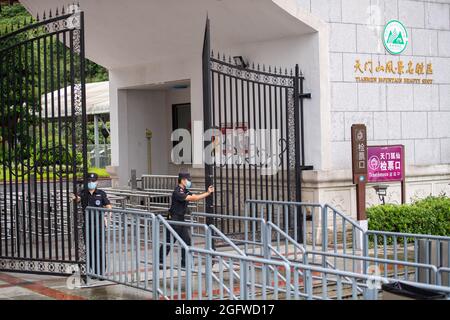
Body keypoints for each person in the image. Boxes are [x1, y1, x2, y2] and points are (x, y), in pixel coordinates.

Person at [159, 172, 214, 268]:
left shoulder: (185, 190)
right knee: (169, 242)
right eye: (187, 180)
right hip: (174, 219)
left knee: (186, 241)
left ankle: (185, 263)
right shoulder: (178, 191)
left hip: (180, 219)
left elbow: (194, 195)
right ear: (183, 180)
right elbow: (194, 198)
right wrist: (207, 193)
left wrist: (207, 191)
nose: (189, 181)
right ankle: (159, 262)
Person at [74, 172, 112, 278]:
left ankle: (101, 272)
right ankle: (92, 271)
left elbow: (109, 206)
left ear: (97, 182)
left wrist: (106, 217)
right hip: (88, 225)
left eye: (93, 181)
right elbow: (76, 199)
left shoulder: (101, 193)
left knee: (99, 248)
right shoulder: (82, 193)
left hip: (99, 226)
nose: (91, 183)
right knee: (90, 248)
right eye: (89, 181)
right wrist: (74, 192)